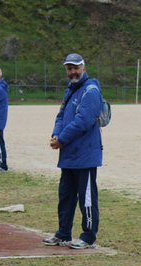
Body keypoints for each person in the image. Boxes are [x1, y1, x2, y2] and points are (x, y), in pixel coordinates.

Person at [44, 53, 103, 250]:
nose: (72, 72)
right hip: (69, 153)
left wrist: (61, 139)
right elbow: (61, 115)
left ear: (83, 68)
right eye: (69, 68)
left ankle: (88, 236)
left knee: (86, 198)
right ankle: (63, 234)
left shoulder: (91, 91)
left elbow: (83, 121)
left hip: (85, 154)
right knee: (66, 196)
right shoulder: (70, 90)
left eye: (75, 67)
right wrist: (56, 135)